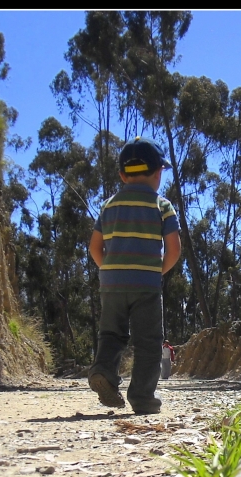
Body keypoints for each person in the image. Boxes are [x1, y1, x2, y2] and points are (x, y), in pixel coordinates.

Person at [87, 136, 181, 414]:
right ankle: (142, 398)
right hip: (146, 285)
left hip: (112, 283)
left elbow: (94, 247)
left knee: (111, 335)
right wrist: (156, 271)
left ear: (122, 174)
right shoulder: (162, 206)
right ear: (158, 173)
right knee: (148, 343)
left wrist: (109, 270)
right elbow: (174, 249)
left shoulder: (108, 206)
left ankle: (103, 371)